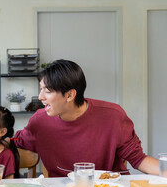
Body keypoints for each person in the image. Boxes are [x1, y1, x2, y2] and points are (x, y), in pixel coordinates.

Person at [14, 59, 159, 177]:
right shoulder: (40, 121)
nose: (40, 97)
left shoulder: (113, 116)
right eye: (41, 89)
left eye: (48, 91)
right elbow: (16, 142)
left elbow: (139, 159)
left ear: (70, 95)